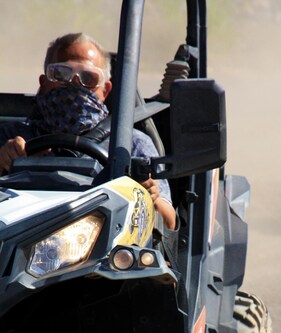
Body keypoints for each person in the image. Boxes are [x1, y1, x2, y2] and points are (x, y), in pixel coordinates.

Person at [0, 33, 176, 229]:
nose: (74, 84)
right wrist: (2, 162)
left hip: (105, 248)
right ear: (43, 83)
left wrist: (149, 195)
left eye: (88, 77)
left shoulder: (130, 143)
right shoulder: (10, 138)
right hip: (18, 239)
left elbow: (168, 224)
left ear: (105, 90)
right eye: (61, 74)